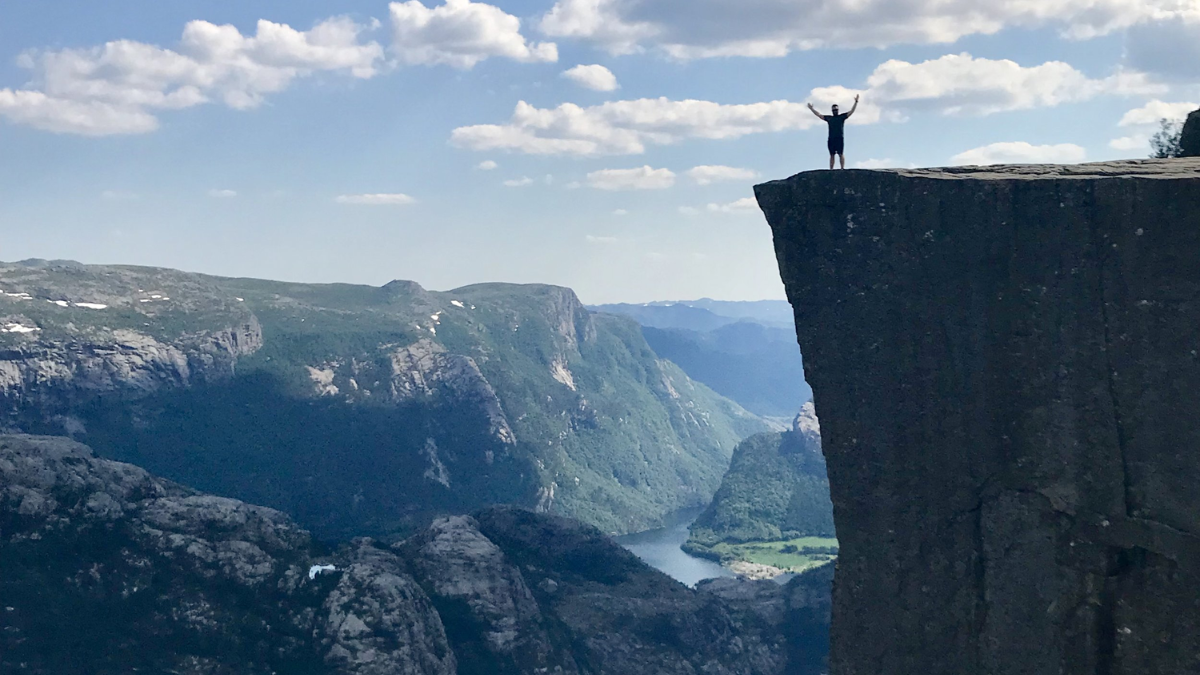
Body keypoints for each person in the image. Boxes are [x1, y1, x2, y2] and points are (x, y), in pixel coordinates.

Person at [807, 95, 859, 169]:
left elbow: (851, 112)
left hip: (839, 138)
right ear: (832, 110)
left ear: (838, 110)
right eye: (834, 110)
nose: (835, 111)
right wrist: (811, 109)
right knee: (832, 154)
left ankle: (842, 168)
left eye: (836, 110)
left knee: (841, 154)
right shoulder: (829, 118)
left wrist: (856, 102)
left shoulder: (841, 117)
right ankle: (831, 169)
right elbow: (819, 115)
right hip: (831, 138)